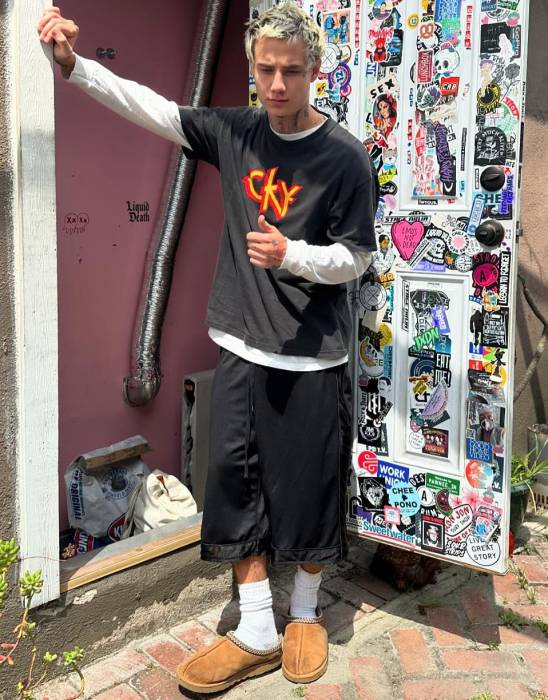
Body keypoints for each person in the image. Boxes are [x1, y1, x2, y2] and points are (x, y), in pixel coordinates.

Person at [38, 3, 377, 693]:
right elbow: (156, 111)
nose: (277, 84)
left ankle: (304, 613)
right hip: (240, 344)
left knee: (309, 492)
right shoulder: (236, 130)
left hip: (312, 355)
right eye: (266, 69)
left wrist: (293, 255)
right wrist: (74, 68)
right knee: (234, 485)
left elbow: (357, 258)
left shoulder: (344, 157)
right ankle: (256, 627)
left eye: (291, 71)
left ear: (314, 70)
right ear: (252, 67)